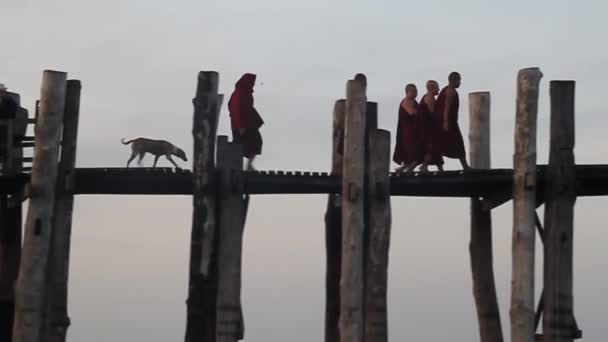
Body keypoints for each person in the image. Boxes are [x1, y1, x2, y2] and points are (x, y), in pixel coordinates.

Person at [434, 72, 470, 170]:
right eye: (459, 80)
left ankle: (439, 167)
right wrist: (446, 122)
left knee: (440, 144)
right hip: (449, 122)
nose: (460, 83)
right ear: (453, 80)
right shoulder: (451, 91)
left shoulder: (445, 89)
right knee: (458, 143)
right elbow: (447, 107)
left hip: (443, 122)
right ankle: (465, 166)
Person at [228, 73, 264, 170]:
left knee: (254, 143)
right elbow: (236, 109)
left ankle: (247, 165)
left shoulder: (245, 92)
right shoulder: (240, 92)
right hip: (242, 125)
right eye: (252, 82)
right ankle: (238, 167)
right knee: (241, 145)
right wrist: (240, 126)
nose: (253, 84)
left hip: (247, 124)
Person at [393, 84, 424, 173]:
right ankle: (408, 169)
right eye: (413, 91)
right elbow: (411, 113)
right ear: (407, 92)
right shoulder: (406, 102)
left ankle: (403, 169)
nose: (415, 93)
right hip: (408, 132)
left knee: (414, 152)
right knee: (412, 152)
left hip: (414, 131)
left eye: (416, 91)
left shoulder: (414, 102)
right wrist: (421, 111)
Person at [418, 80, 444, 172]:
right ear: (432, 88)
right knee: (431, 147)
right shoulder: (430, 98)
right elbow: (434, 114)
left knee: (435, 148)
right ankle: (424, 166)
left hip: (429, 127)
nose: (439, 89)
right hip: (429, 128)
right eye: (437, 87)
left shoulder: (427, 97)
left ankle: (439, 168)